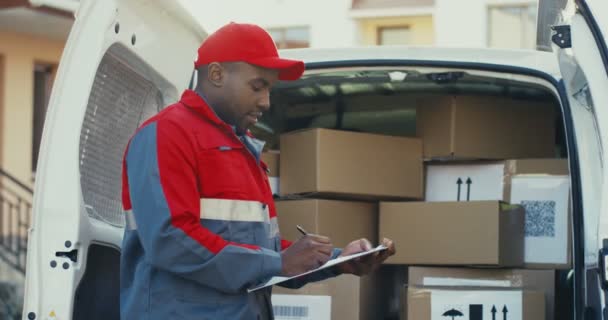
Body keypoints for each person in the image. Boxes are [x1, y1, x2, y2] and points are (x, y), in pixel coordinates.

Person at [119, 22, 396, 320]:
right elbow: (170, 241)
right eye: (257, 86)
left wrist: (338, 260)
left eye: (270, 89)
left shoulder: (240, 147)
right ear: (216, 75)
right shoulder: (166, 134)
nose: (266, 102)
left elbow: (262, 253)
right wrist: (276, 264)